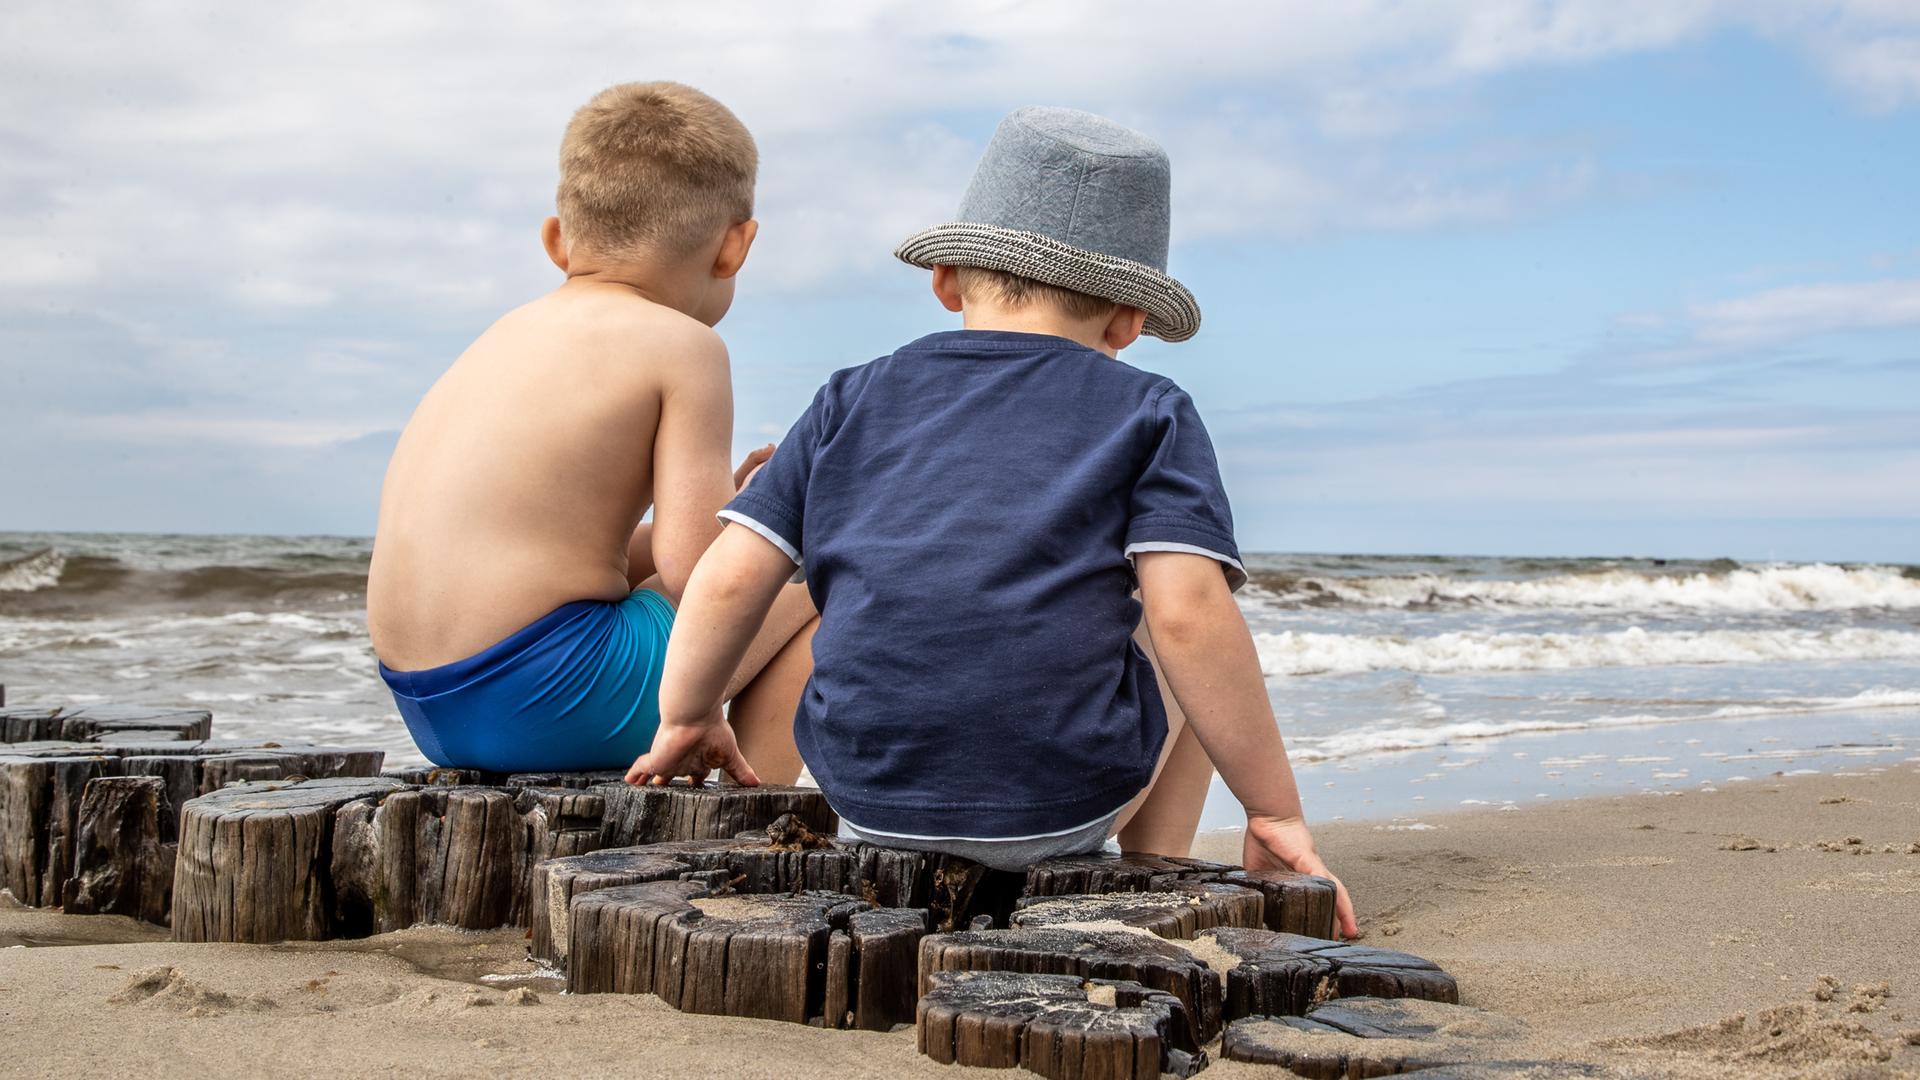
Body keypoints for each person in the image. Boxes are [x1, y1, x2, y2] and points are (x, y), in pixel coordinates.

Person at [629, 106, 1355, 936]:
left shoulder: (850, 395)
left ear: (947, 281)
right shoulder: (1149, 409)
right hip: (1059, 810)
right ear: (1129, 322)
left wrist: (688, 716)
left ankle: (1115, 865)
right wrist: (1275, 811)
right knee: (1185, 613)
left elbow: (729, 575)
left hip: (866, 798)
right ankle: (1151, 872)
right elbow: (1189, 616)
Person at [367, 82, 817, 773]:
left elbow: (570, 552)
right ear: (735, 248)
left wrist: (729, 512)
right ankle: (765, 812)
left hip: (434, 709)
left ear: (556, 239)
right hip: (553, 698)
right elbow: (698, 573)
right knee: (819, 579)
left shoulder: (501, 337)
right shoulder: (686, 346)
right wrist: (769, 526)